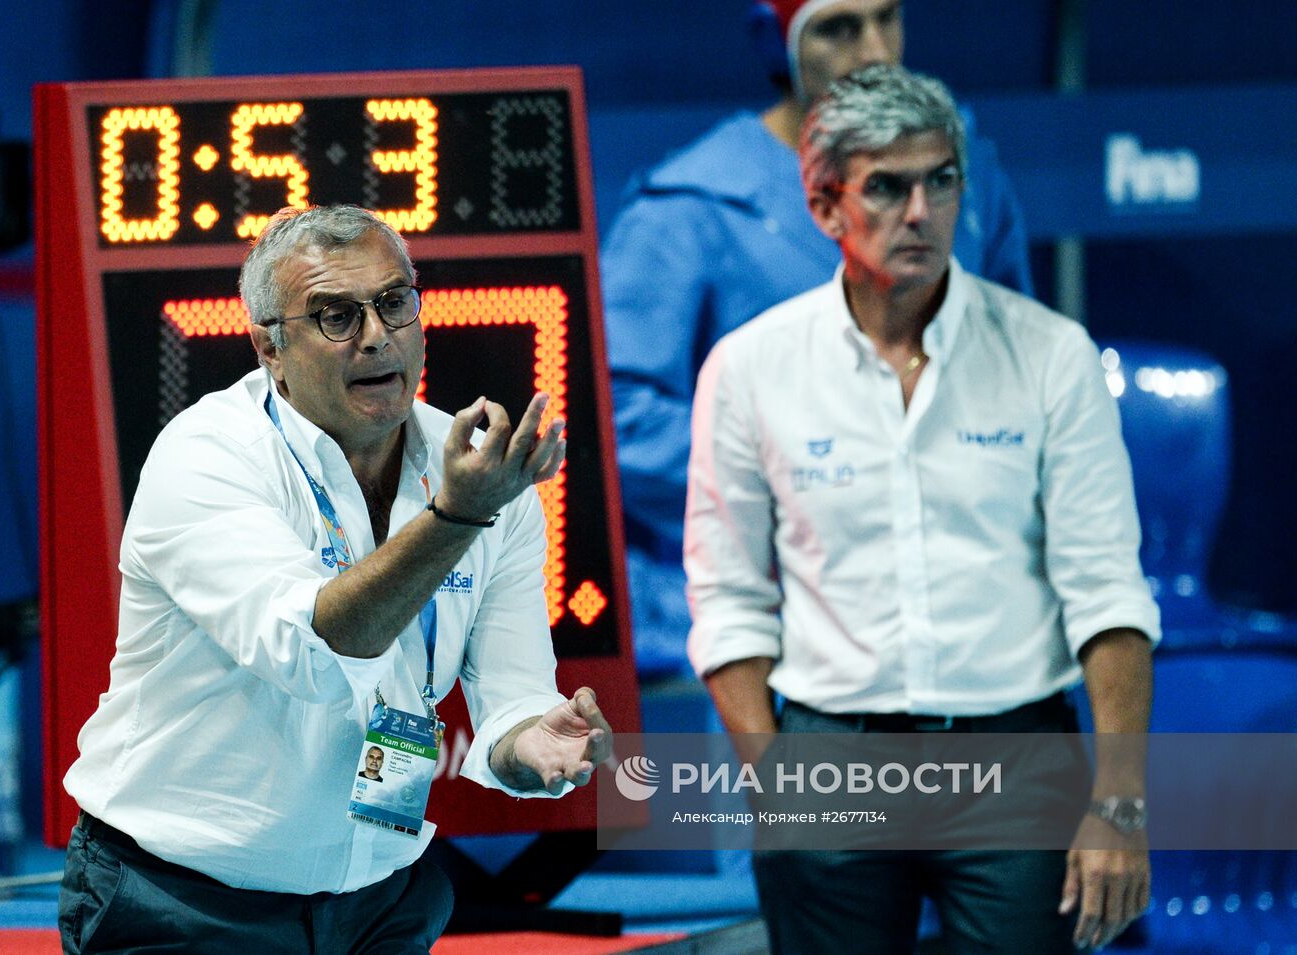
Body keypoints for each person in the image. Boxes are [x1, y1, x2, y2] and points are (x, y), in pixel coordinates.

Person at [685, 66, 1158, 953]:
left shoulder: (1052, 356)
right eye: (889, 186)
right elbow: (728, 602)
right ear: (826, 207)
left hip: (1017, 752)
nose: (921, 210)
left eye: (941, 180)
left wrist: (1120, 802)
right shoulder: (750, 369)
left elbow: (1109, 592)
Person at [58, 204, 613, 954]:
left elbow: (511, 692)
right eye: (335, 317)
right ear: (269, 348)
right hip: (182, 901)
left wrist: (531, 745)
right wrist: (454, 519)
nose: (377, 334)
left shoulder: (479, 473)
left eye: (392, 302)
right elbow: (316, 652)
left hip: (383, 897)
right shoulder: (207, 456)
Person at [604, 0, 1035, 675]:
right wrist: (799, 476)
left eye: (885, 18)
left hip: (958, 597)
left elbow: (1015, 363)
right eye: (837, 29)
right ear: (775, 44)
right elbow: (617, 415)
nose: (873, 51)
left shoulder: (965, 175)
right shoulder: (692, 206)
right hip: (772, 611)